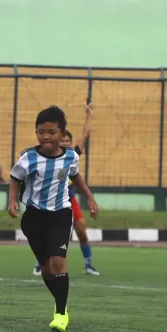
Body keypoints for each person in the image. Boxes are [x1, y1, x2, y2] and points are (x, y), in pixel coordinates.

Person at [8, 106, 98, 332]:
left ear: (62, 134)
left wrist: (90, 198)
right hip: (33, 218)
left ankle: (60, 312)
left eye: (51, 132)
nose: (46, 136)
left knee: (58, 262)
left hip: (60, 214)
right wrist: (12, 201)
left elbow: (77, 178)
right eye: (41, 132)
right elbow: (15, 179)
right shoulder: (28, 157)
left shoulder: (70, 157)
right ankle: (61, 303)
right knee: (48, 270)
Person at [32, 104, 99, 276]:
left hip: (69, 198)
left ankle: (88, 265)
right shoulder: (46, 156)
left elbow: (85, 136)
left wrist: (89, 116)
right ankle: (41, 263)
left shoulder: (72, 156)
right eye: (64, 141)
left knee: (82, 230)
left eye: (69, 141)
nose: (66, 143)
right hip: (49, 201)